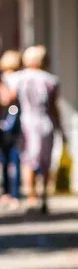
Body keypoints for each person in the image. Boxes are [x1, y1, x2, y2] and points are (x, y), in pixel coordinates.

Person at [5, 46, 59, 213]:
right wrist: (60, 126)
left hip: (27, 121)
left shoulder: (18, 78)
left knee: (29, 159)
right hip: (45, 122)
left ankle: (31, 196)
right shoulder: (51, 80)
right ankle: (43, 196)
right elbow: (53, 107)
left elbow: (9, 98)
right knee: (45, 160)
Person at [0, 51, 22, 206]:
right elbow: (8, 98)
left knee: (6, 158)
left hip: (6, 123)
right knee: (15, 158)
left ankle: (8, 192)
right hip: (13, 122)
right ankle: (15, 193)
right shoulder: (17, 78)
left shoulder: (6, 79)